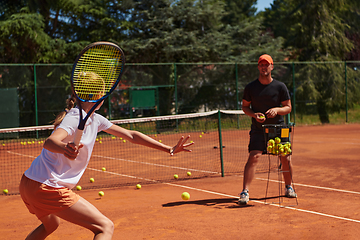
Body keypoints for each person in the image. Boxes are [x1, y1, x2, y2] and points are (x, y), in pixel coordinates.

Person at [19, 92, 193, 239]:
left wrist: (168, 148)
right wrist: (65, 148)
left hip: (28, 183)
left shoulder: (95, 119)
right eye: (102, 93)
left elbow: (131, 135)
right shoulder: (73, 118)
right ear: (94, 97)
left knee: (51, 225)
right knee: (105, 227)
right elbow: (50, 142)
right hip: (47, 187)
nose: (105, 97)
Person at [238, 54, 297, 205]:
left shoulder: (280, 87)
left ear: (272, 66)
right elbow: (245, 107)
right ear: (258, 67)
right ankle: (245, 192)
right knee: (254, 156)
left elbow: (288, 108)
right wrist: (254, 114)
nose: (264, 67)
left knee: (285, 158)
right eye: (261, 65)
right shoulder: (251, 87)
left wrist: (277, 110)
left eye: (267, 64)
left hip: (279, 128)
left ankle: (289, 187)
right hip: (258, 129)